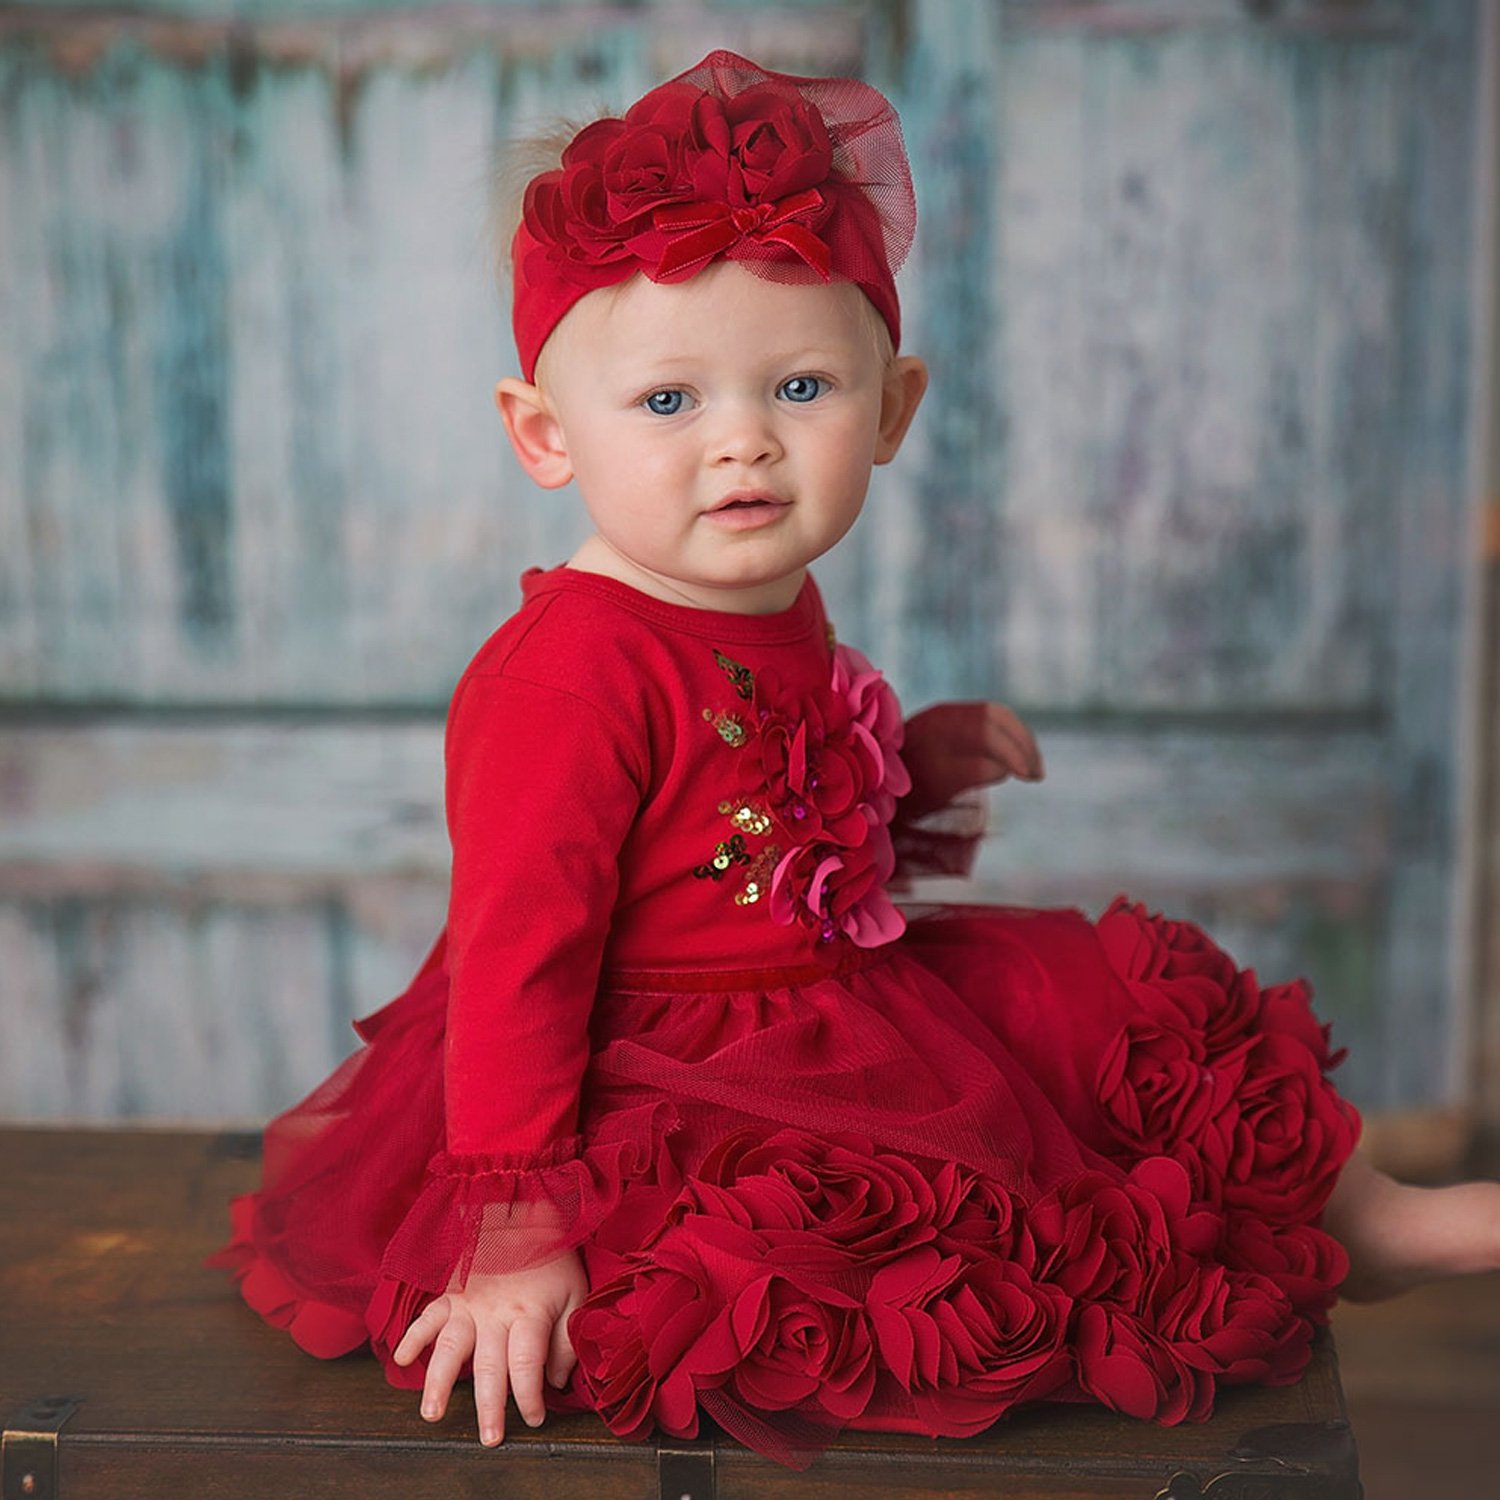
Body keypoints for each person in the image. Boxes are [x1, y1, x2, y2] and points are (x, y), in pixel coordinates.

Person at [211, 49, 1500, 1470]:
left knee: (1132, 1013)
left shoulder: (760, 592)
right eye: (667, 403)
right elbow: (521, 959)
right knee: (866, 1244)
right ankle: (1350, 1232)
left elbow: (762, 815)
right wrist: (515, 1234)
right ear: (542, 435)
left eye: (803, 386)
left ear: (893, 410)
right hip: (639, 1061)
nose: (744, 444)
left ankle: (1370, 1210)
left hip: (822, 994)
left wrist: (916, 765)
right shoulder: (567, 674)